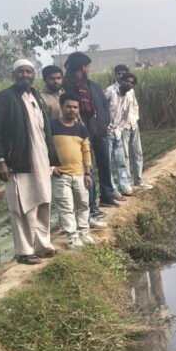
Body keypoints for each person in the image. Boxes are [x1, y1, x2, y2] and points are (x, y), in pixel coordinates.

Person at [0, 59, 60, 265]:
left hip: (41, 158)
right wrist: (0, 160)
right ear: (14, 74)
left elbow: (44, 129)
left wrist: (51, 159)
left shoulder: (35, 96)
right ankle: (24, 251)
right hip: (18, 161)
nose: (25, 75)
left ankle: (43, 245)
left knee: (43, 202)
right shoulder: (4, 98)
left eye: (29, 72)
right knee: (23, 207)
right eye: (21, 72)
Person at [62, 52, 122, 214]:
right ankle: (91, 206)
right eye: (87, 66)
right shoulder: (66, 85)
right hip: (80, 133)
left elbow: (103, 105)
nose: (89, 69)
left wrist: (103, 123)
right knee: (88, 169)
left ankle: (107, 196)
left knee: (104, 163)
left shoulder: (91, 85)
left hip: (98, 130)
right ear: (82, 67)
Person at [51, 94, 96, 248]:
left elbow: (86, 151)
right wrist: (51, 168)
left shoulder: (81, 129)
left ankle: (84, 231)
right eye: (68, 106)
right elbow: (44, 149)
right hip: (61, 175)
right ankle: (72, 237)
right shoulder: (52, 126)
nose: (72, 110)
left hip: (79, 174)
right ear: (61, 107)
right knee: (66, 207)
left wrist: (87, 173)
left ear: (78, 109)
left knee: (83, 204)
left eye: (75, 107)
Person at [105, 71, 135, 197]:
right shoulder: (110, 92)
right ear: (120, 81)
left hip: (117, 132)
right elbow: (100, 108)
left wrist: (120, 129)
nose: (128, 84)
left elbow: (125, 116)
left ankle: (125, 187)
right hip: (106, 132)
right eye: (126, 81)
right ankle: (113, 190)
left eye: (131, 83)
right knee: (108, 163)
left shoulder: (128, 97)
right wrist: (104, 127)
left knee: (120, 160)